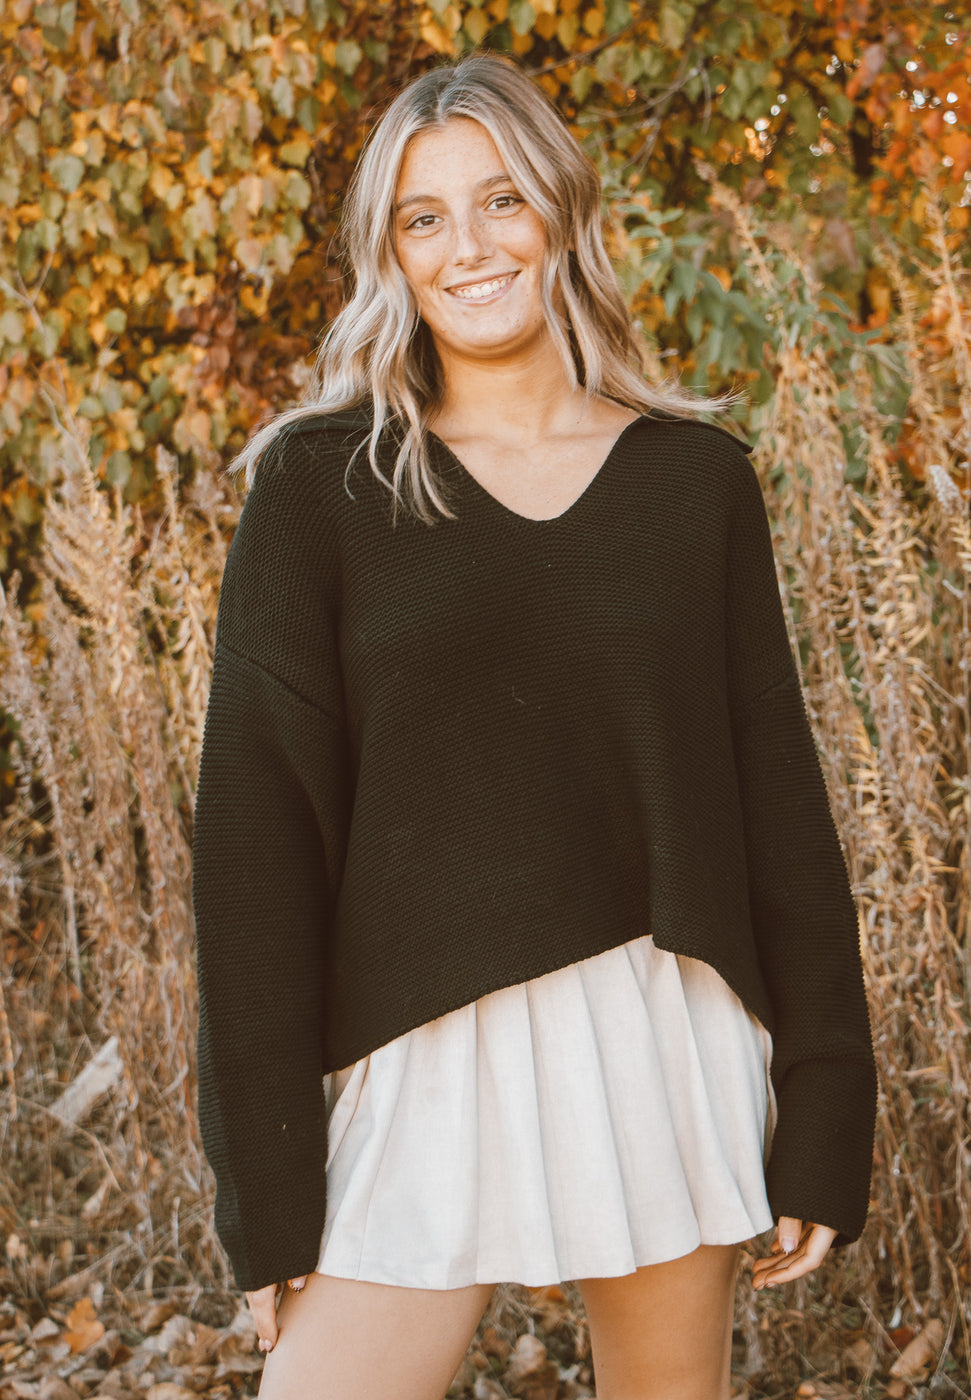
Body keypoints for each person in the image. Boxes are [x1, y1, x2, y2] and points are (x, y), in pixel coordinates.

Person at [192, 52, 878, 1400]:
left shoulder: (697, 485)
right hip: (424, 1040)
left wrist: (828, 1107)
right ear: (388, 253)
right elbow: (253, 848)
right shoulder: (321, 489)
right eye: (423, 216)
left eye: (501, 200)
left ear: (561, 211)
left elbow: (779, 806)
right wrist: (266, 1182)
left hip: (659, 1021)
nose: (469, 246)